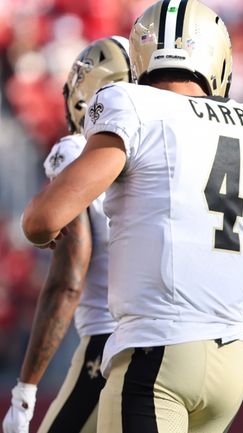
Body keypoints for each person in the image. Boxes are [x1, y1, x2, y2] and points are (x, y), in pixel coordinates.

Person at [21, 0, 243, 431]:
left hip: (157, 356)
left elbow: (41, 220)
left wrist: (43, 226)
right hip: (228, 366)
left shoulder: (135, 106)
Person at [2, 36, 131, 433]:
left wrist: (25, 390)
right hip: (177, 343)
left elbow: (68, 281)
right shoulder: (168, 148)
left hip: (108, 344)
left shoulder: (77, 150)